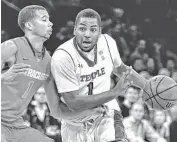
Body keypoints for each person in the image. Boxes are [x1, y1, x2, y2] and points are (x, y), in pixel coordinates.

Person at [1, 5, 104, 142]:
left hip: (14, 125)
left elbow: (56, 111)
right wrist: (2, 77)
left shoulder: (48, 62)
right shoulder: (11, 47)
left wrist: (90, 113)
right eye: (44, 20)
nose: (51, 24)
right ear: (29, 25)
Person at [51, 8, 149, 142]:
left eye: (93, 29)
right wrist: (115, 92)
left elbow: (120, 69)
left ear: (99, 32)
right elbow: (73, 102)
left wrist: (148, 86)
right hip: (74, 122)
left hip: (106, 113)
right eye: (82, 28)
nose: (87, 34)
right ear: (74, 30)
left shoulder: (108, 43)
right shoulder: (63, 57)